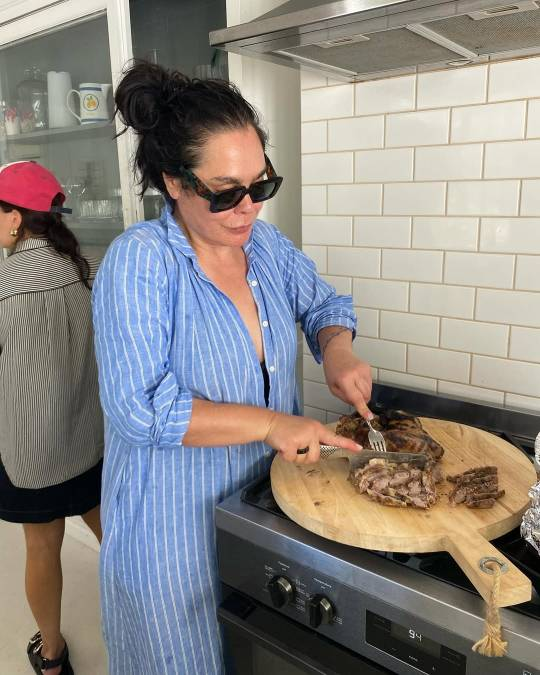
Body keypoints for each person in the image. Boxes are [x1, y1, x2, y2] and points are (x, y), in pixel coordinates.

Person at [92, 61, 373, 675]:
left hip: (267, 514)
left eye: (261, 185)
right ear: (173, 181)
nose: (248, 209)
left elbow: (323, 304)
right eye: (225, 191)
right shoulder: (140, 263)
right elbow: (140, 408)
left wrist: (338, 348)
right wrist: (272, 424)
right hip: (172, 541)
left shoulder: (264, 247)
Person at [0, 161, 104, 675]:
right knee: (115, 530)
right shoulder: (79, 267)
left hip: (30, 449)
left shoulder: (5, 282)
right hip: (87, 437)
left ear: (15, 218)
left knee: (42, 547)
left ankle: (52, 656)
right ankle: (159, 615)